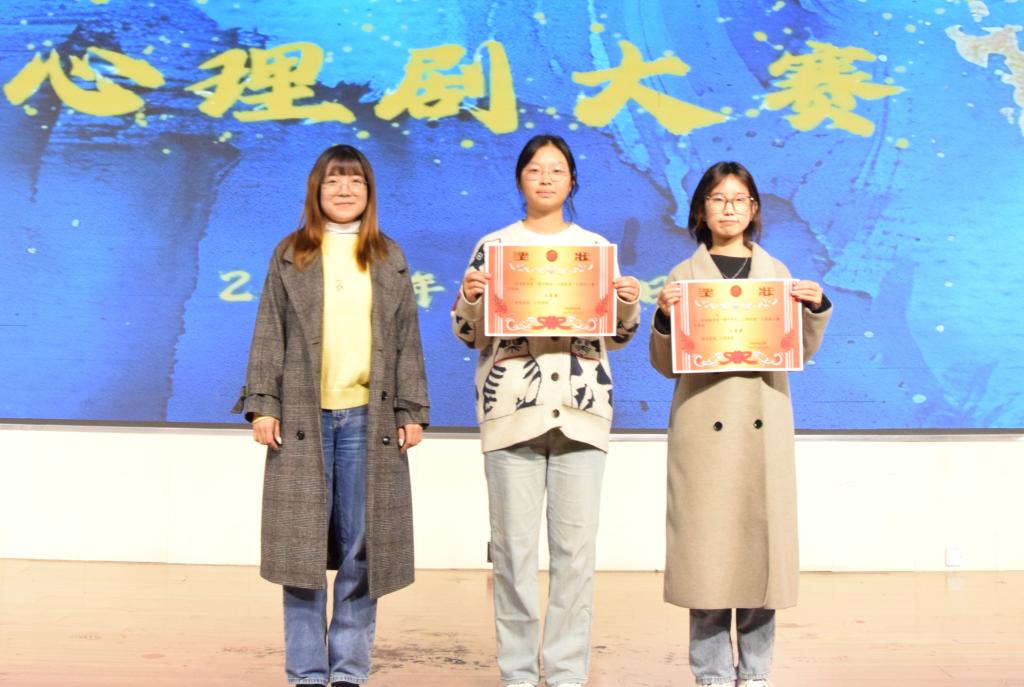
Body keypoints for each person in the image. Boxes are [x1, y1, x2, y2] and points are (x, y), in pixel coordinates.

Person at [232, 144, 430, 686]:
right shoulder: (291, 253)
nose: (344, 190)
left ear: (369, 192)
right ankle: (306, 672)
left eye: (355, 181)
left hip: (369, 420)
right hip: (302, 420)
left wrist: (411, 408)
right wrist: (262, 404)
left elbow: (406, 339)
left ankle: (348, 669)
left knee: (364, 548)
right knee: (299, 551)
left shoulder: (387, 255)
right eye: (333, 181)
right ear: (316, 191)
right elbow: (269, 331)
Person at [451, 134, 641, 687]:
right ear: (520, 179)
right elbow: (468, 333)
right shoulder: (494, 248)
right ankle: (517, 673)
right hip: (512, 413)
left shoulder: (594, 250)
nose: (546, 178)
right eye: (535, 169)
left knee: (574, 554)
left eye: (557, 170)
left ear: (571, 181)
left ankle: (564, 673)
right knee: (512, 554)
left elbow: (618, 336)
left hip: (582, 414)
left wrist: (627, 302)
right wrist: (471, 297)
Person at [648, 161, 832, 687]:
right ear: (701, 211)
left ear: (753, 210)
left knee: (760, 552)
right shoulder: (682, 278)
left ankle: (755, 672)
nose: (728, 209)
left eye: (738, 200)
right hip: (702, 426)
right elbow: (665, 365)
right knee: (706, 557)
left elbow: (798, 351)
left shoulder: (778, 275)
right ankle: (709, 673)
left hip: (761, 427)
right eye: (717, 199)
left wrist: (815, 307)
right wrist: (663, 318)